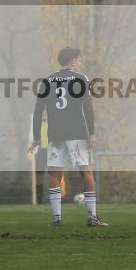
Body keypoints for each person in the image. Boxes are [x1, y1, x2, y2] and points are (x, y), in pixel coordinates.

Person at [28, 46, 107, 227]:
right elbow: (88, 108)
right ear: (73, 61)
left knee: (54, 174)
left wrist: (37, 136)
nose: (80, 63)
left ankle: (57, 219)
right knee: (86, 172)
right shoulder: (81, 79)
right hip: (77, 132)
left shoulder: (47, 81)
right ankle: (92, 217)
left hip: (55, 134)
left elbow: (38, 111)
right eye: (79, 60)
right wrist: (92, 132)